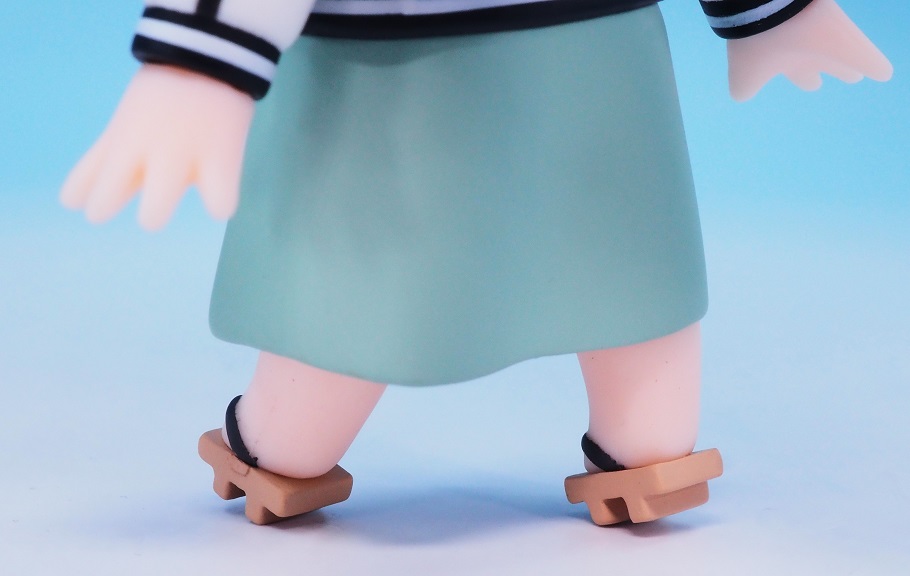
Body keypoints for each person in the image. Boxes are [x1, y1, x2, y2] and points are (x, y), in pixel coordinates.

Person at [61, 0, 892, 525]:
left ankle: (281, 450)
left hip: (441, 61)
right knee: (611, 250)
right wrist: (200, 67)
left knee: (365, 281)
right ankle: (651, 446)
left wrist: (199, 63)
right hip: (562, 57)